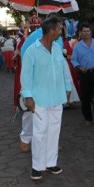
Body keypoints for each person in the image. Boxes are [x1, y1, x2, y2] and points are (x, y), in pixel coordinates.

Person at [21, 16, 72, 181]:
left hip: (57, 97)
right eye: (59, 29)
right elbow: (26, 76)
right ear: (51, 31)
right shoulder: (32, 51)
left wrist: (68, 87)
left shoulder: (58, 48)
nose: (61, 31)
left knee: (54, 132)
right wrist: (28, 96)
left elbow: (63, 70)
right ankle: (37, 166)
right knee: (39, 133)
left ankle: (51, 162)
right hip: (39, 99)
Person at [19, 12, 64, 153]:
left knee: (51, 119)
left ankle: (50, 146)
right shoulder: (34, 36)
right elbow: (24, 54)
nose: (60, 30)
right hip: (36, 79)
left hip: (52, 83)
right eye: (58, 26)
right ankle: (26, 138)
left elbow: (60, 58)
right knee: (30, 112)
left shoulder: (58, 39)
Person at [71, 23, 94, 126]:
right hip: (85, 74)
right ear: (81, 33)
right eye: (84, 31)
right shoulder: (78, 46)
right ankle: (88, 118)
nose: (86, 33)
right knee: (86, 97)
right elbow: (73, 60)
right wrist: (79, 67)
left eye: (88, 31)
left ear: (91, 32)